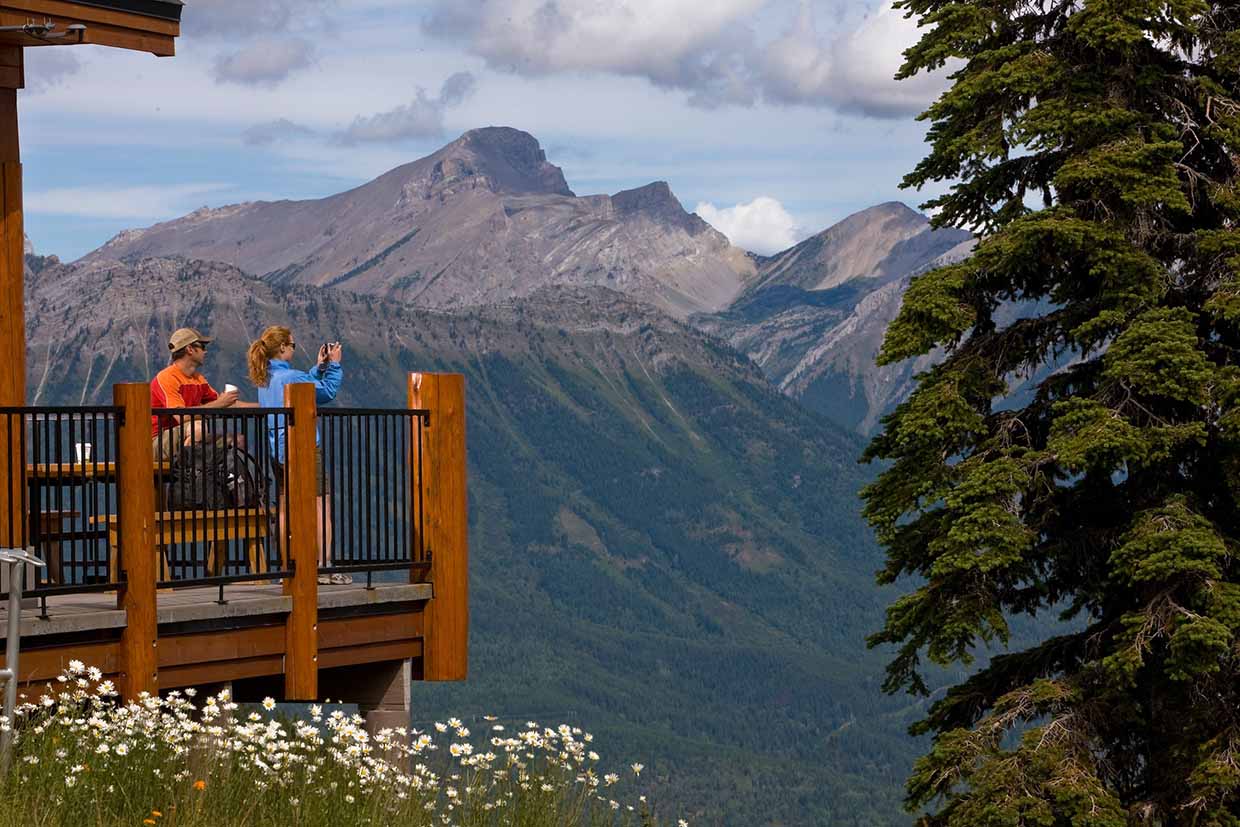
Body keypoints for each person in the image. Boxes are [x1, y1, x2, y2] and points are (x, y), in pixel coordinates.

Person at [247, 326, 343, 572]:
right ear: (281, 348)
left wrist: (318, 368)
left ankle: (288, 564)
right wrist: (334, 366)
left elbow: (303, 382)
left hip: (276, 449)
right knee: (321, 504)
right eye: (292, 345)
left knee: (284, 505)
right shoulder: (291, 377)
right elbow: (326, 392)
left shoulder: (266, 379)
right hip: (303, 446)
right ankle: (324, 565)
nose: (293, 349)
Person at [151, 327, 246, 460]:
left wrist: (262, 405)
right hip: (157, 442)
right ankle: (189, 473)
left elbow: (223, 404)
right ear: (190, 349)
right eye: (202, 346)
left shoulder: (198, 379)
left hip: (187, 436)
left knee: (236, 440)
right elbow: (180, 416)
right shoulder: (167, 377)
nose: (205, 351)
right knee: (197, 426)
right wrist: (219, 403)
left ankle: (220, 477)